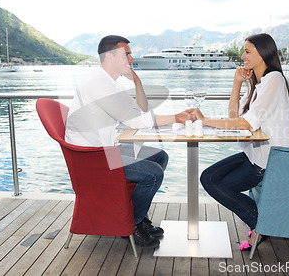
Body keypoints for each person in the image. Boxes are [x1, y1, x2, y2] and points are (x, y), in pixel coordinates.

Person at [65, 35, 193, 249]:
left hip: (105, 149)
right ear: (111, 56)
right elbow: (137, 120)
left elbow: (139, 112)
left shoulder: (109, 83)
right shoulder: (98, 83)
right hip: (93, 158)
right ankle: (130, 224)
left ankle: (136, 217)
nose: (131, 60)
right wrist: (176, 117)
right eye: (127, 54)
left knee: (159, 156)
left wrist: (137, 82)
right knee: (153, 173)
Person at [192, 33, 289, 251]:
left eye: (247, 51)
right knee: (208, 178)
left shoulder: (274, 79)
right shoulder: (260, 83)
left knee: (211, 182)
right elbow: (234, 118)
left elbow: (246, 124)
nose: (242, 55)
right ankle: (261, 220)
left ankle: (260, 223)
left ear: (263, 53)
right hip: (255, 154)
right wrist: (237, 83)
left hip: (270, 160)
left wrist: (205, 121)